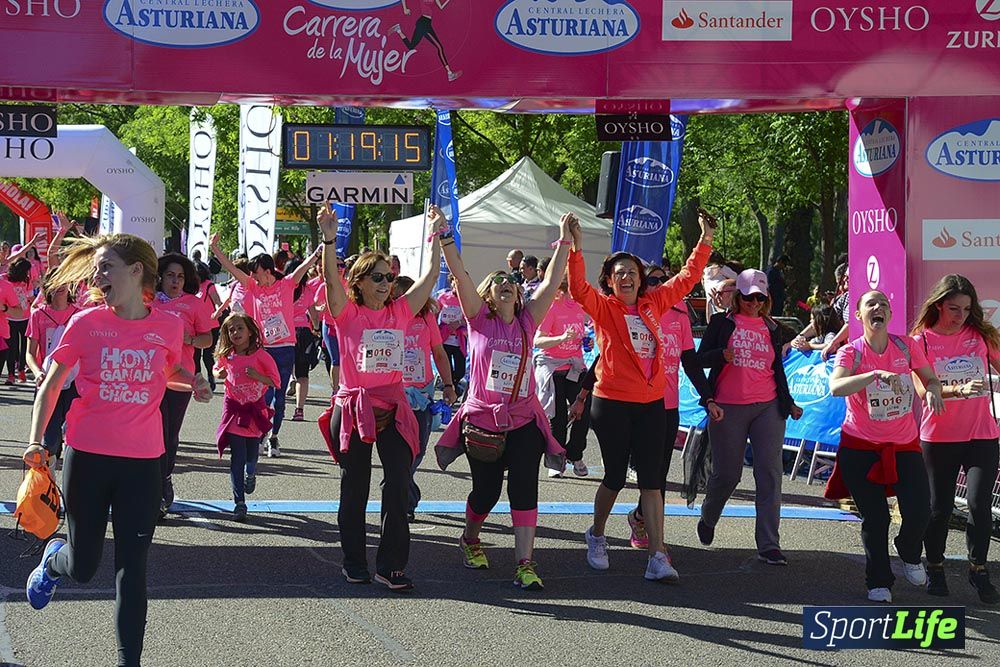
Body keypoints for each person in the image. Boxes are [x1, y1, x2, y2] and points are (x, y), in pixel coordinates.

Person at [23, 233, 211, 667]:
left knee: (133, 567)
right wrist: (36, 441)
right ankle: (55, 562)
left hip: (144, 463)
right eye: (97, 268)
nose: (98, 275)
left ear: (136, 271)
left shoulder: (168, 325)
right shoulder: (85, 324)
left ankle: (129, 662)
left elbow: (168, 368)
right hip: (86, 458)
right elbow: (52, 384)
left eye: (107, 266)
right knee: (84, 566)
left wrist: (193, 381)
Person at [569, 209, 715, 583]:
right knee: (615, 476)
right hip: (612, 403)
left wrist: (705, 241)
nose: (627, 278)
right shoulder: (604, 308)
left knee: (653, 481)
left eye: (632, 272)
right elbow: (578, 288)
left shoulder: (656, 303)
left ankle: (657, 555)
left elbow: (686, 279)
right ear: (610, 282)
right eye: (619, 275)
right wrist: (575, 247)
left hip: (652, 404)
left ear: (641, 279)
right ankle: (597, 534)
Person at [435, 211, 574, 592]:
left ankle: (525, 564)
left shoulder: (530, 321)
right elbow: (461, 275)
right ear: (487, 296)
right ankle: (470, 537)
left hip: (524, 420)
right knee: (486, 492)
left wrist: (564, 240)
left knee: (525, 487)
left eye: (511, 281)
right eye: (498, 282)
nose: (507, 284)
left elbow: (550, 280)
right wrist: (446, 236)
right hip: (482, 421)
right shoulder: (478, 320)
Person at [316, 205, 444, 592]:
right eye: (378, 277)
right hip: (354, 408)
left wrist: (437, 237)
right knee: (354, 488)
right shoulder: (347, 312)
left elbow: (430, 277)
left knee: (398, 483)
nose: (387, 282)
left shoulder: (402, 311)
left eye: (389, 277)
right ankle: (354, 562)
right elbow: (330, 279)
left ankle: (391, 566)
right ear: (359, 282)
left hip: (394, 407)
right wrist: (328, 237)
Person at [827, 289, 944, 603]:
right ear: (859, 316)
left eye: (884, 304)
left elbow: (930, 379)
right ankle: (879, 581)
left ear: (890, 315)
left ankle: (907, 550)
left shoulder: (906, 346)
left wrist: (933, 390)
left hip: (904, 444)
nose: (878, 308)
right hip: (861, 447)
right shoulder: (851, 352)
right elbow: (836, 386)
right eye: (871, 304)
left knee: (921, 510)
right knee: (876, 517)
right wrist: (872, 375)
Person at [696, 269, 803, 565]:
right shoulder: (721, 323)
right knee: (727, 475)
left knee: (769, 473)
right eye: (747, 297)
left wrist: (788, 401)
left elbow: (776, 370)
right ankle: (709, 515)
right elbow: (699, 360)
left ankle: (769, 544)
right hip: (728, 406)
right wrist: (721, 354)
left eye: (759, 297)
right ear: (737, 296)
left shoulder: (772, 327)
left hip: (767, 406)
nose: (753, 303)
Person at [910, 275, 999, 603]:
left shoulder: (979, 336)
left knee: (979, 504)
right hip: (940, 437)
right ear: (938, 305)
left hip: (982, 434)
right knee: (940, 508)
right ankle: (935, 566)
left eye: (966, 308)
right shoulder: (921, 340)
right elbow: (922, 389)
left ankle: (979, 570)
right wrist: (957, 389)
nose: (960, 315)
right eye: (953, 308)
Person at [624, 263, 717, 549]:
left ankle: (644, 522)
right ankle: (613, 530)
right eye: (653, 281)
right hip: (636, 402)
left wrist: (708, 397)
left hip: (667, 405)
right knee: (631, 472)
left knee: (659, 473)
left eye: (665, 280)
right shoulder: (633, 312)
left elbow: (690, 361)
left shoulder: (679, 315)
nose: (660, 285)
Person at [209, 236, 320, 457]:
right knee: (263, 396)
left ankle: (274, 438)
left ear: (267, 270)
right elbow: (232, 269)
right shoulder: (254, 287)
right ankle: (258, 435)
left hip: (285, 348)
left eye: (256, 271)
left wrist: (321, 247)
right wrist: (215, 248)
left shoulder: (287, 284)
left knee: (279, 398)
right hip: (263, 349)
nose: (252, 276)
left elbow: (306, 265)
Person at [151, 253, 215, 518]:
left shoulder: (194, 304)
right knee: (151, 433)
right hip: (149, 376)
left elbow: (207, 340)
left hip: (180, 377)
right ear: (160, 277)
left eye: (180, 276)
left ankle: (164, 479)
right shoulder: (148, 301)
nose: (175, 281)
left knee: (169, 434)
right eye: (170, 275)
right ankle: (151, 487)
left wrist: (190, 338)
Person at [392, 275, 457, 521]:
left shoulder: (426, 318)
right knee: (397, 452)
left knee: (417, 450)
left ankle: (403, 491)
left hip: (421, 394)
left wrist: (449, 385)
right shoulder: (387, 317)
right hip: (393, 394)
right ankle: (402, 500)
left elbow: (439, 353)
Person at [213, 313, 280, 522]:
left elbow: (275, 381)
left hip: (253, 411)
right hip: (233, 410)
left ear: (250, 331)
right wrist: (218, 375)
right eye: (231, 330)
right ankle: (239, 503)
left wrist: (258, 376)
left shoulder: (261, 356)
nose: (235, 333)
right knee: (237, 458)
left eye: (240, 328)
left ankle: (251, 473)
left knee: (251, 456)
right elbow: (216, 368)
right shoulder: (227, 354)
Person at [533, 265, 590, 478]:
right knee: (556, 418)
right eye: (573, 289)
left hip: (575, 366)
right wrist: (561, 339)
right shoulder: (552, 307)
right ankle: (556, 460)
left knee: (583, 414)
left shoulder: (580, 308)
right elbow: (538, 340)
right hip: (552, 367)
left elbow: (580, 336)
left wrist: (586, 342)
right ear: (564, 288)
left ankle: (575, 454)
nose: (577, 294)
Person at [25, 274, 81, 460]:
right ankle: (48, 481)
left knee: (76, 437)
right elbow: (30, 353)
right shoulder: (38, 315)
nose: (60, 286)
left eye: (64, 281)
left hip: (75, 382)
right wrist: (37, 372)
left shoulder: (80, 315)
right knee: (51, 440)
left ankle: (72, 482)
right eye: (55, 282)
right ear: (47, 287)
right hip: (48, 381)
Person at [389, 0, 463, 82]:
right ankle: (449, 73)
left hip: (425, 23)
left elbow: (441, 7)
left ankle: (398, 30)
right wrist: (405, 9)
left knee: (411, 46)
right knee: (439, 47)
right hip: (423, 23)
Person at [286, 258, 319, 421]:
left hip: (284, 333)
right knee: (303, 374)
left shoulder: (282, 289)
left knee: (279, 372)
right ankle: (299, 409)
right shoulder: (307, 291)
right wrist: (317, 328)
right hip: (304, 333)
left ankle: (277, 407)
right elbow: (313, 314)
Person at [436, 273, 467, 398]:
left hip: (460, 340)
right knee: (446, 367)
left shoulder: (467, 299)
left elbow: (471, 318)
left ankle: (453, 385)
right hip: (445, 338)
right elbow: (434, 314)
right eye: (455, 281)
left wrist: (459, 323)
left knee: (460, 371)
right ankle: (451, 389)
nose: (457, 284)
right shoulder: (443, 297)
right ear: (451, 282)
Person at [194, 261, 223, 391]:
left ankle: (211, 376)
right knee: (195, 354)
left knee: (207, 355)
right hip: (194, 325)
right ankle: (198, 379)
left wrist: (218, 310)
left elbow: (217, 301)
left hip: (211, 325)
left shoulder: (209, 286)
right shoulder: (191, 287)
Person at [5, 258, 33, 383]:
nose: (28, 273)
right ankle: (11, 374)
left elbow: (31, 297)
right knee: (12, 347)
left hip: (25, 317)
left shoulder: (27, 281)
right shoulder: (5, 279)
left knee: (24, 346)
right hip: (9, 317)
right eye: (27, 271)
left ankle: (21, 370)